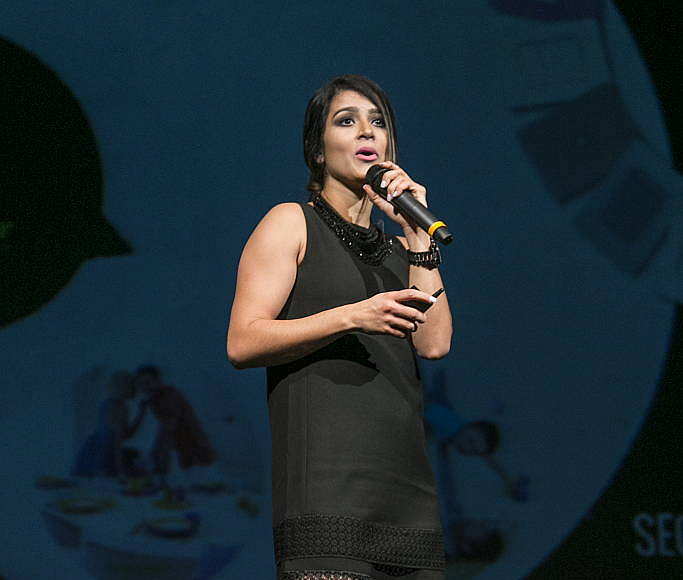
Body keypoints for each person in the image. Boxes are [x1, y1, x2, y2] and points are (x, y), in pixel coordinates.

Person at [227, 74, 453, 580]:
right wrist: (354, 315)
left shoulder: (400, 251)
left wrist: (418, 238)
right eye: (347, 122)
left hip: (404, 488)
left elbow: (435, 344)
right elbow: (242, 341)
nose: (367, 133)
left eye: (378, 124)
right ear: (317, 149)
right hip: (326, 486)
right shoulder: (291, 222)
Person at [133, 365, 216, 486]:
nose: (144, 387)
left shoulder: (169, 396)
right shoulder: (154, 400)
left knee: (199, 488)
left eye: (148, 382)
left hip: (193, 449)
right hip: (184, 450)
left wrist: (155, 454)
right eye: (140, 384)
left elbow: (169, 427)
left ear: (158, 381)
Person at [71, 370, 147, 479]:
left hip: (102, 450)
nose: (136, 390)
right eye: (132, 386)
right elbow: (118, 439)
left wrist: (141, 414)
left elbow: (126, 435)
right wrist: (121, 470)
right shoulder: (115, 407)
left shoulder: (119, 406)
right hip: (102, 453)